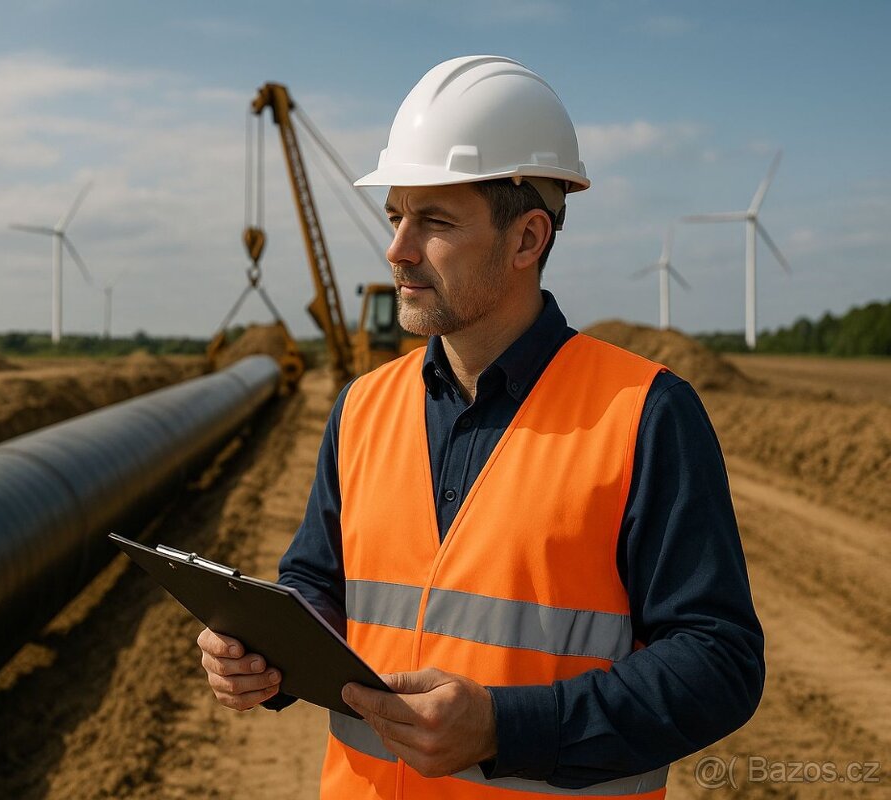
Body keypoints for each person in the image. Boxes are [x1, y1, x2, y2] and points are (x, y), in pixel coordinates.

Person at [197, 55, 763, 798]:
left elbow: (717, 661)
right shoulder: (363, 406)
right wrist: (265, 653)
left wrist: (507, 727)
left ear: (528, 239)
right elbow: (319, 582)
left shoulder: (645, 413)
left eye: (434, 221)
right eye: (396, 216)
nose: (398, 249)